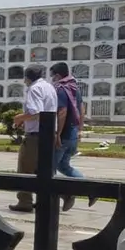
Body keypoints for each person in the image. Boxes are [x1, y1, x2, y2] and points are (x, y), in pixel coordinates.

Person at [9, 66, 58, 213]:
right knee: (43, 170)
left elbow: (36, 112)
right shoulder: (49, 87)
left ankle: (25, 201)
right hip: (49, 133)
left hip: (35, 136)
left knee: (25, 168)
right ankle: (57, 195)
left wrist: (19, 118)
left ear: (27, 77)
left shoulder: (34, 89)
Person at [50, 62, 96, 212]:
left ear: (57, 75)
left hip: (63, 136)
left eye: (52, 75)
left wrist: (57, 134)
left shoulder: (62, 90)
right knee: (64, 166)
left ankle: (64, 195)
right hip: (73, 134)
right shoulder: (74, 88)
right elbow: (81, 110)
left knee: (48, 170)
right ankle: (91, 190)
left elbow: (62, 112)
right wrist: (80, 130)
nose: (51, 79)